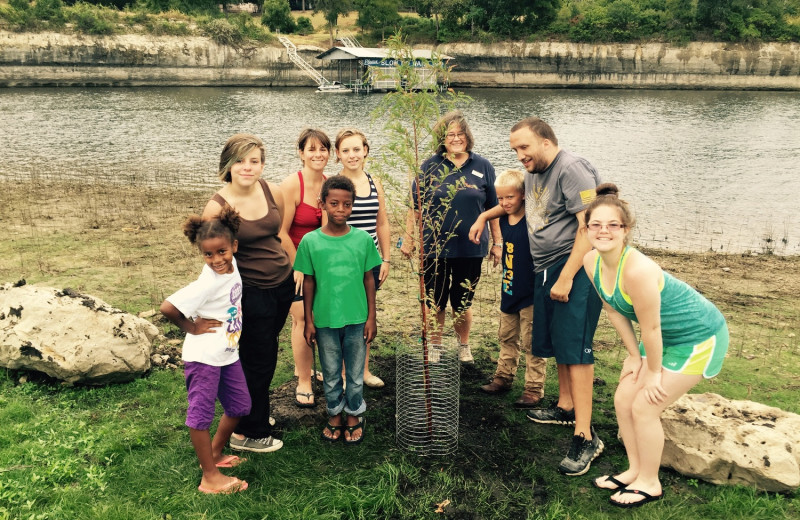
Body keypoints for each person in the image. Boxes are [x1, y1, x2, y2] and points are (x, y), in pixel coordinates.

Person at [469, 116, 603, 476]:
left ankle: (586, 436)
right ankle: (565, 407)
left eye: (524, 147)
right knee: (558, 343)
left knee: (576, 350)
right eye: (515, 150)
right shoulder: (533, 173)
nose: (519, 156)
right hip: (545, 269)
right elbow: (513, 205)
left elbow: (589, 227)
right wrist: (484, 217)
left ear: (545, 142)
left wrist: (568, 275)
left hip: (571, 268)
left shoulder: (572, 170)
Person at [583, 183, 728, 508]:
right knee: (623, 399)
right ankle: (635, 470)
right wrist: (634, 357)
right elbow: (612, 308)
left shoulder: (637, 270)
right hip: (662, 336)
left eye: (613, 225)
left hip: (698, 336)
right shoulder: (590, 262)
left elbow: (650, 327)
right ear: (587, 227)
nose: (603, 231)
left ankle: (650, 482)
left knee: (645, 406)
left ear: (626, 230)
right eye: (596, 224)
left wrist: (651, 373)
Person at [203, 133, 294, 453]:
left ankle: (255, 415)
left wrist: (295, 275)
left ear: (263, 164)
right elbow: (215, 262)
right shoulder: (216, 208)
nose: (247, 167)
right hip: (249, 294)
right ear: (227, 165)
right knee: (257, 361)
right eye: (240, 160)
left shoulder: (273, 191)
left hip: (281, 287)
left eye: (254, 161)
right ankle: (247, 433)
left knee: (264, 355)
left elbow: (279, 233)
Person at [160, 206, 250, 494]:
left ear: (234, 246)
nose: (216, 259)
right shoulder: (207, 281)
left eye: (221, 251)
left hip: (227, 353)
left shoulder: (232, 268)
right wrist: (192, 327)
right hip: (204, 358)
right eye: (208, 254)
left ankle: (213, 454)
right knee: (200, 416)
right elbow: (168, 307)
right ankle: (209, 478)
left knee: (239, 407)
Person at [400, 110, 502, 364]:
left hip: (472, 247)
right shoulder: (429, 166)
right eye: (450, 135)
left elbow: (494, 208)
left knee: (463, 302)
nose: (456, 139)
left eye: (460, 134)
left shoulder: (483, 166)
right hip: (435, 247)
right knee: (436, 301)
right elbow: (415, 206)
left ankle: (463, 345)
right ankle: (435, 345)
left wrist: (498, 242)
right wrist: (409, 238)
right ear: (442, 140)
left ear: (468, 137)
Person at [294, 175, 382, 444]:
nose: (340, 209)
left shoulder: (363, 240)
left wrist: (372, 317)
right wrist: (309, 321)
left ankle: (354, 414)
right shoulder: (310, 242)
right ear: (322, 204)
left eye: (346, 204)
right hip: (324, 321)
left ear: (353, 205)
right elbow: (308, 283)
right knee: (331, 373)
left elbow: (370, 278)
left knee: (355, 374)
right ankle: (334, 414)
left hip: (357, 319)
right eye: (334, 203)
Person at [479, 169, 548, 408]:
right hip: (509, 288)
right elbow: (497, 211)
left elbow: (540, 198)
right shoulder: (503, 218)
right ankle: (503, 377)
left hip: (532, 293)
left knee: (532, 342)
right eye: (500, 198)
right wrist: (483, 217)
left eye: (510, 197)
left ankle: (533, 389)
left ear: (523, 195)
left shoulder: (534, 218)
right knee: (507, 336)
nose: (505, 203)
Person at [334, 127, 390, 388]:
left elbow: (382, 223)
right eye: (346, 150)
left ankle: (364, 371)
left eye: (357, 149)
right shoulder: (334, 185)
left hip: (370, 263)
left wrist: (386, 259)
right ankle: (345, 374)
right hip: (343, 264)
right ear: (338, 154)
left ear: (365, 150)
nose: (352, 155)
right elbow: (329, 227)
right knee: (344, 320)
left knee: (366, 315)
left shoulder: (373, 181)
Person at [279, 128, 331, 408]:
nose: (317, 154)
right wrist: (300, 265)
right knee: (301, 319)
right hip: (295, 263)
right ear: (301, 153)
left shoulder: (330, 183)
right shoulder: (291, 185)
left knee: (321, 319)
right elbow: (281, 232)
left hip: (322, 265)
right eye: (311, 149)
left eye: (323, 149)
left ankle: (313, 368)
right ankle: (303, 380)